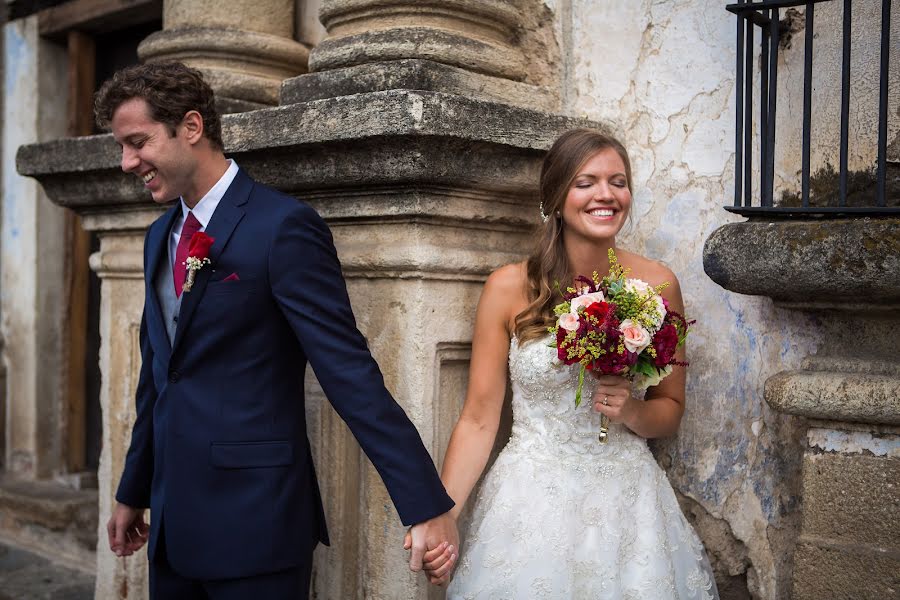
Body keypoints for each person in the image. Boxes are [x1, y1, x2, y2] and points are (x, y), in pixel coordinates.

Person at [95, 61, 457, 599]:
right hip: (172, 528)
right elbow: (159, 377)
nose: (127, 162)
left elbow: (347, 371)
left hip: (256, 523)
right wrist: (134, 491)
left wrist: (426, 503)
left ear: (190, 127)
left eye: (137, 142)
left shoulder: (282, 226)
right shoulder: (158, 236)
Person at [438, 129, 719, 598]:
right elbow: (479, 418)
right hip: (530, 501)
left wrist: (630, 410)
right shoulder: (508, 287)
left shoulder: (658, 284)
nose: (606, 194)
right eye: (586, 182)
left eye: (618, 181)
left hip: (626, 503)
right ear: (555, 195)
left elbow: (670, 409)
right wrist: (444, 513)